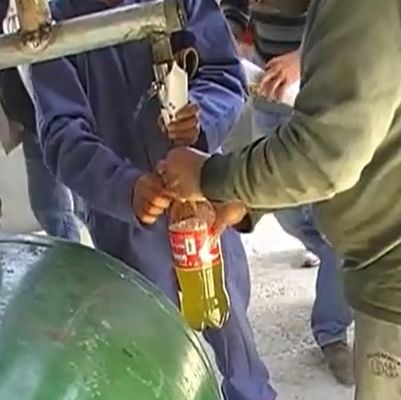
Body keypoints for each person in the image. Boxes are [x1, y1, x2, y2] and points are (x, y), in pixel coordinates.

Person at [21, 0, 274, 399]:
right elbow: (61, 134)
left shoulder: (185, 3)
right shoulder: (55, 22)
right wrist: (124, 186)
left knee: (229, 321)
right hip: (127, 219)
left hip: (203, 198)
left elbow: (225, 74)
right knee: (154, 341)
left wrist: (201, 118)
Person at [158, 0, 401, 398]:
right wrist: (249, 199)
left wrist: (209, 176)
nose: (251, 4)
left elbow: (326, 154)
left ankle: (329, 331)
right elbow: (362, 127)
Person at [220, 0, 353, 386]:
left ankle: (331, 331)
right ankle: (338, 261)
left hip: (323, 92)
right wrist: (230, 31)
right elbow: (234, 5)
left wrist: (304, 56)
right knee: (285, 210)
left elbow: (352, 22)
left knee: (340, 228)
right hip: (269, 89)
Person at [0, 2, 81, 242]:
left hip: (51, 115)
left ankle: (74, 259)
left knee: (56, 208)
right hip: (33, 117)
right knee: (50, 207)